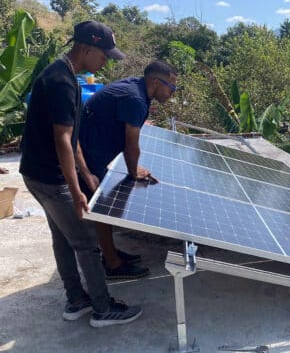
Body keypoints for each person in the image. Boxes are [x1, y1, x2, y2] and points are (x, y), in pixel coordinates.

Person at [19, 20, 142, 327]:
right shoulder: (61, 82)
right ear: (86, 48)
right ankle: (102, 309)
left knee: (62, 239)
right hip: (50, 177)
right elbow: (61, 140)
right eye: (103, 56)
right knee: (87, 241)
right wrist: (76, 193)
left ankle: (76, 301)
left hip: (35, 174)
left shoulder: (63, 74)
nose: (105, 62)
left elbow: (70, 137)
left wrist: (86, 174)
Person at [79, 60, 178, 279]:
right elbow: (131, 143)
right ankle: (112, 264)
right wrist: (134, 171)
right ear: (155, 82)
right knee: (103, 208)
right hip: (88, 155)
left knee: (107, 205)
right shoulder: (135, 98)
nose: (172, 92)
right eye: (171, 87)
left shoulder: (136, 88)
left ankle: (110, 251)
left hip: (95, 149)